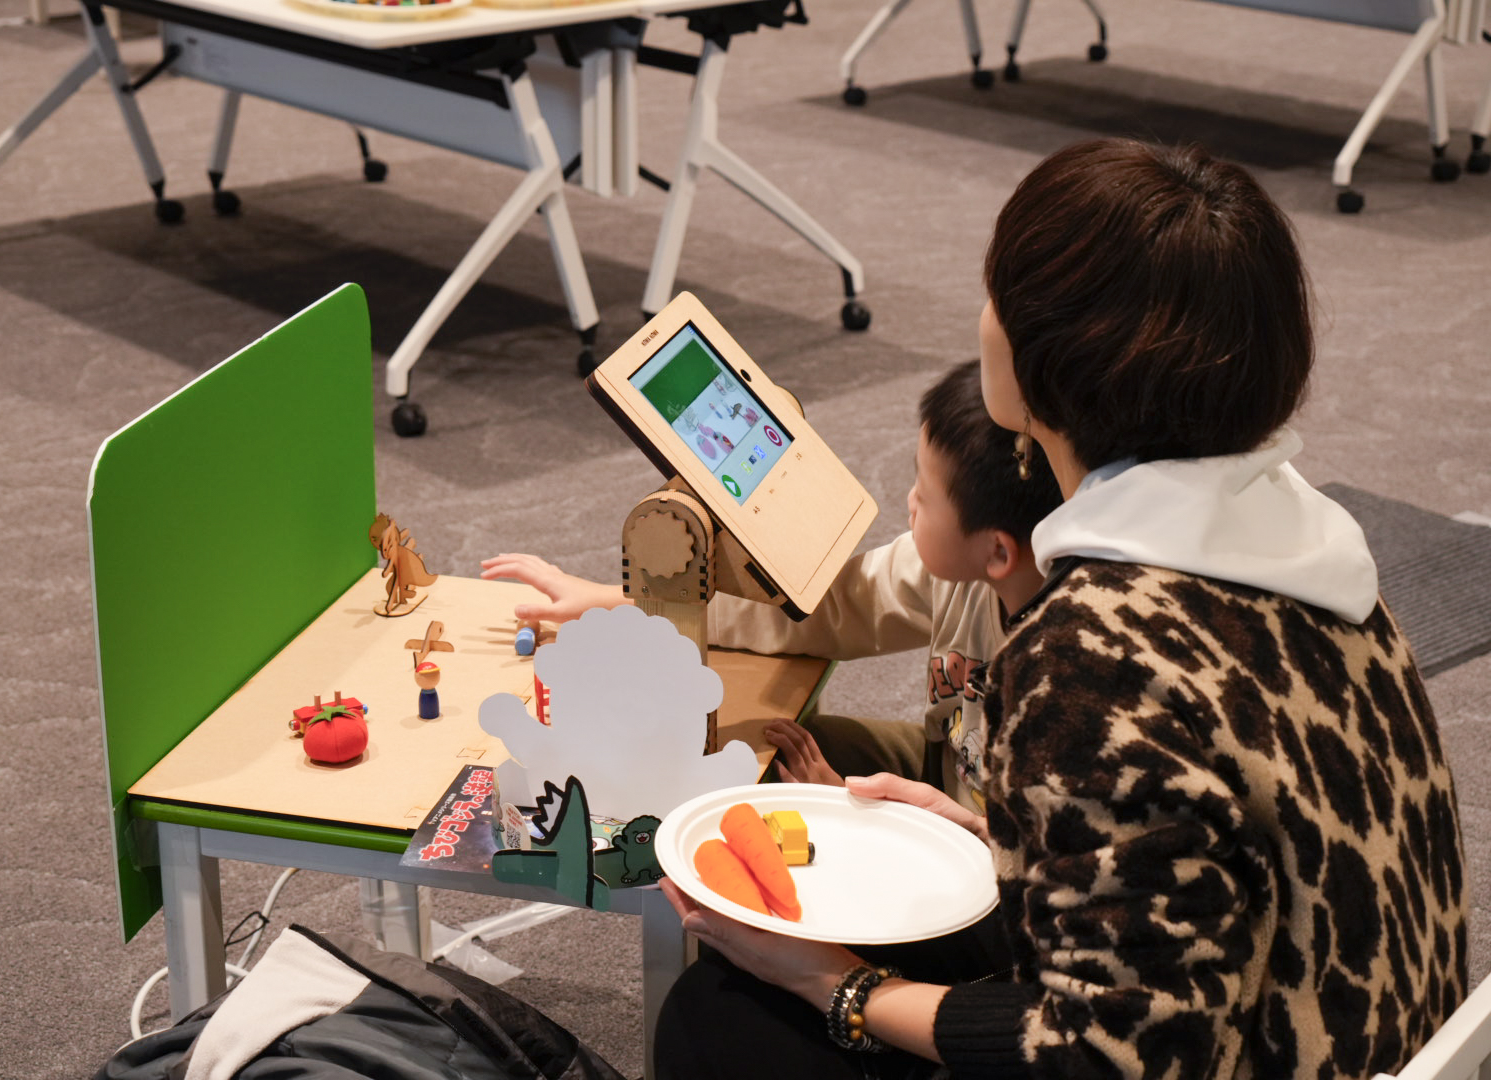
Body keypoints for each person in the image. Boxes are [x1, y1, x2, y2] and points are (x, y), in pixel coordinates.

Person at [651, 138, 1469, 1080]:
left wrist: (842, 990)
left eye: (996, 293)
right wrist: (1002, 841)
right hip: (1352, 1039)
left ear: (1043, 362)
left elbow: (1109, 1058)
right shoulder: (1312, 549)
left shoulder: (1091, 651)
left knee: (719, 1023)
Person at [480, 358, 1062, 818]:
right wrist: (621, 602)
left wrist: (857, 810)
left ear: (997, 551)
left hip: (997, 855)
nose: (908, 503)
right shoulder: (957, 570)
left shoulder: (1065, 679)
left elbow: (1025, 868)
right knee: (767, 753)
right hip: (951, 769)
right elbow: (824, 610)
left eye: (925, 497)